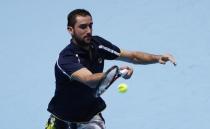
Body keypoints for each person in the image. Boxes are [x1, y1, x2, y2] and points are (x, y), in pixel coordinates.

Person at [45, 9, 176, 129]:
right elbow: (89, 79)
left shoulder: (98, 44)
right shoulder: (67, 58)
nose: (89, 31)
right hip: (61, 119)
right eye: (83, 27)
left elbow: (133, 57)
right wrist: (116, 72)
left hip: (90, 116)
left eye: (90, 25)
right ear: (70, 30)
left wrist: (157, 58)